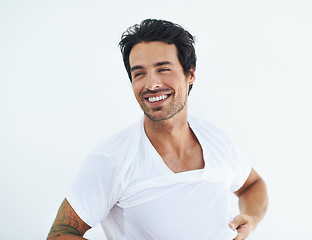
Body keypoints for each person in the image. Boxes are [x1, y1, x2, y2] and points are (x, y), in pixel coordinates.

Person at [47, 19, 268, 240]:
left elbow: (253, 185)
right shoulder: (111, 160)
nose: (151, 84)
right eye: (139, 73)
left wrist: (251, 218)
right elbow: (61, 233)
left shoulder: (219, 140)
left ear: (190, 73)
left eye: (163, 69)